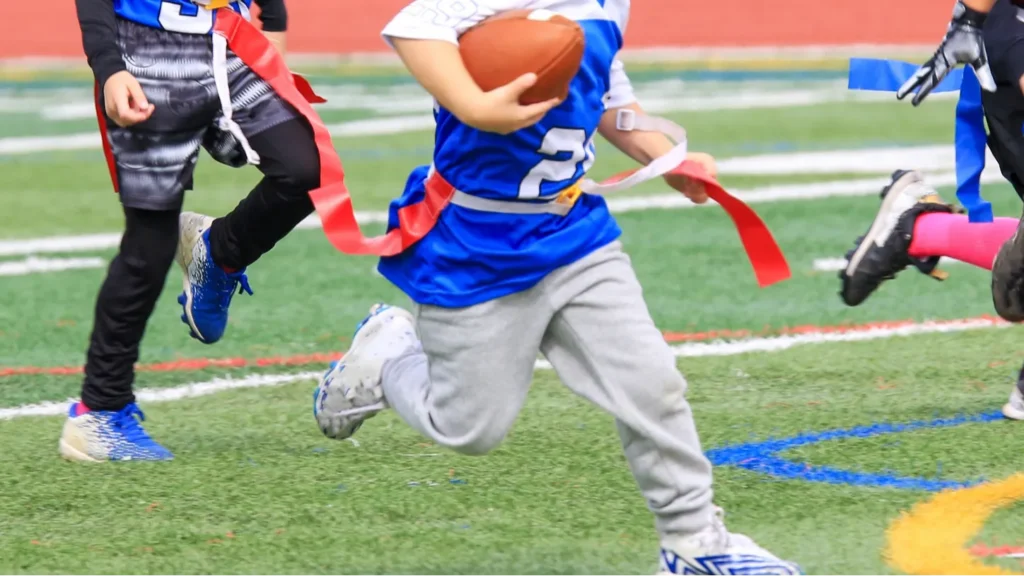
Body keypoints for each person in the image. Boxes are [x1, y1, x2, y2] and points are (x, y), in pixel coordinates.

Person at [310, 1, 804, 573]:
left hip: (573, 231)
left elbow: (605, 93)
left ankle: (694, 544)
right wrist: (476, 108)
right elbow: (413, 25)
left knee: (651, 383)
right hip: (476, 241)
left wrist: (666, 156)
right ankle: (388, 357)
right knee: (468, 428)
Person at [62, 0, 322, 462]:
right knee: (150, 244)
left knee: (306, 168)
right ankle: (98, 413)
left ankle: (217, 252)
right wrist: (109, 66)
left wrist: (274, 31)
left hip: (231, 42)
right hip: (146, 51)